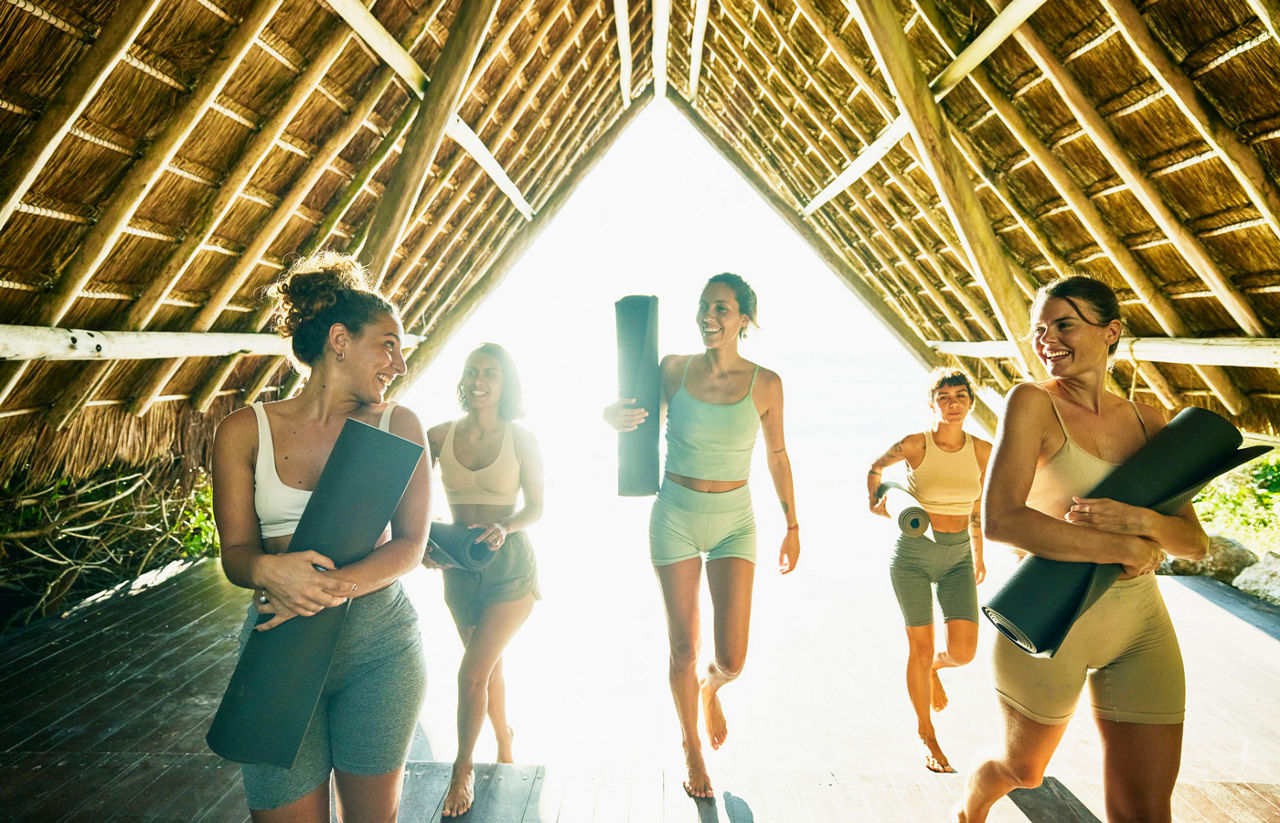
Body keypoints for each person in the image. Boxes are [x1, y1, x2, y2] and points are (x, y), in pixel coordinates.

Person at [958, 275, 1208, 823]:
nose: (1046, 340)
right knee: (1024, 772)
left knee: (1146, 809)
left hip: (1140, 626)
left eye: (1064, 324)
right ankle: (973, 803)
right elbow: (1000, 519)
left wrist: (1143, 521)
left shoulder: (1150, 421)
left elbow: (1193, 542)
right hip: (1050, 620)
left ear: (1111, 331)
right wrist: (1115, 544)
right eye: (1039, 330)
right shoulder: (1030, 403)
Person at [210, 251, 429, 823]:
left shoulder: (397, 426)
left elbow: (410, 544)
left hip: (381, 652)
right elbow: (234, 553)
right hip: (278, 652)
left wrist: (323, 587)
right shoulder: (244, 430)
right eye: (388, 344)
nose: (399, 363)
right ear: (339, 339)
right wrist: (264, 571)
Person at [604, 273, 801, 799]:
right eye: (704, 307)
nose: (709, 317)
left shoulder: (767, 383)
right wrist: (611, 416)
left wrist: (793, 526)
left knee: (731, 659)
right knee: (683, 645)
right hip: (674, 515)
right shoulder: (673, 369)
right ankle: (691, 748)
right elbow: (636, 416)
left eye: (722, 308)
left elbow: (777, 456)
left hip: (736, 520)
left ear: (744, 318)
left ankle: (711, 690)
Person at [424, 343, 542, 817]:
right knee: (487, 666)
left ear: (505, 383)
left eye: (490, 373)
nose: (479, 380)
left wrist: (506, 526)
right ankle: (504, 739)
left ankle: (462, 769)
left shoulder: (522, 439)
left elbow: (536, 506)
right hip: (458, 569)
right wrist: (424, 547)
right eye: (473, 371)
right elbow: (404, 497)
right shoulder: (437, 435)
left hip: (510, 567)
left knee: (470, 673)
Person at [867, 368, 991, 774]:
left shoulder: (984, 451)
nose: (952, 404)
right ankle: (927, 734)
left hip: (958, 558)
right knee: (918, 648)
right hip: (914, 557)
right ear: (931, 402)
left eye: (960, 396)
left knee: (963, 652)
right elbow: (875, 469)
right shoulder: (915, 445)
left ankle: (935, 668)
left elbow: (976, 510)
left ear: (971, 402)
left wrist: (979, 554)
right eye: (944, 397)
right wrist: (876, 500)